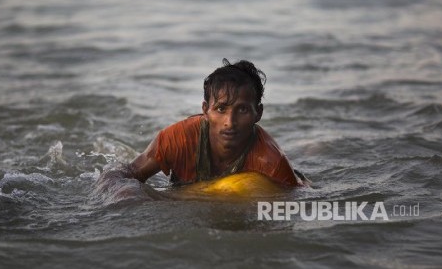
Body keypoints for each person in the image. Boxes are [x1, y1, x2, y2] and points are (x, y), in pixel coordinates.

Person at [99, 58, 309, 191]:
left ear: (258, 114)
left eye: (242, 110)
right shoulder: (178, 138)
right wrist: (127, 196)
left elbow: (294, 203)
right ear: (205, 111)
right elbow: (122, 173)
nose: (230, 122)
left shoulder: (272, 162)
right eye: (220, 109)